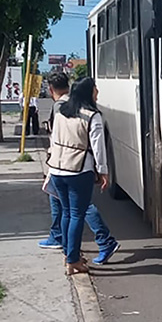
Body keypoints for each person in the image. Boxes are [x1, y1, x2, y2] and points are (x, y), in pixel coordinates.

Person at [40, 73, 121, 266]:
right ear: (88, 93)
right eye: (95, 89)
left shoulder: (60, 112)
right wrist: (103, 171)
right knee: (77, 213)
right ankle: (73, 260)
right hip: (78, 169)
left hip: (57, 169)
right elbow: (98, 147)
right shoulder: (92, 116)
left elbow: (53, 140)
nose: (97, 92)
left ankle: (69, 256)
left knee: (67, 213)